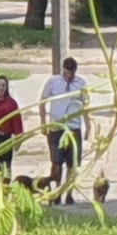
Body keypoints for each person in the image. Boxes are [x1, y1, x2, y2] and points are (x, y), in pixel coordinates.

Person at [39, 56, 86, 200]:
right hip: (56, 127)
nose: (70, 76)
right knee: (57, 162)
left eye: (72, 73)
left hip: (73, 127)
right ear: (63, 70)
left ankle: (69, 192)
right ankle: (58, 190)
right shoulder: (53, 82)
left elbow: (85, 106)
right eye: (67, 72)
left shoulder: (81, 84)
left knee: (73, 163)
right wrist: (43, 121)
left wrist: (88, 126)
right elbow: (43, 101)